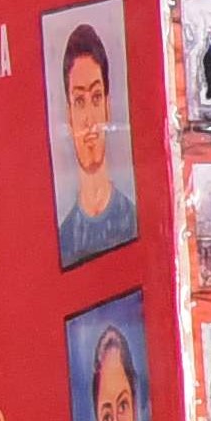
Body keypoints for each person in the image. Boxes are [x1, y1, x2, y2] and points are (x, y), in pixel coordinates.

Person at [51, 23, 142, 266]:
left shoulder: (134, 222)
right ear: (69, 115)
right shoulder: (64, 241)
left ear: (107, 108)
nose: (89, 120)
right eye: (80, 101)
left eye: (96, 97)